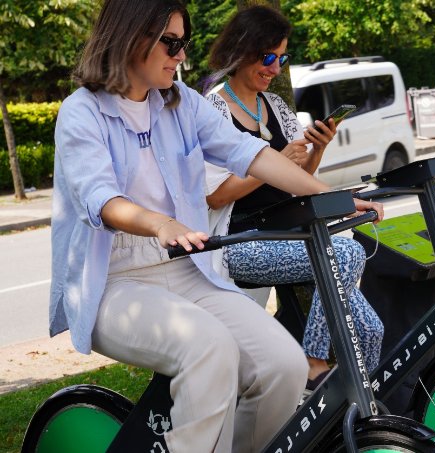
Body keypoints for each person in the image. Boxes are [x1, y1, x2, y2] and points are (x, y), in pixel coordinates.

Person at [49, 1, 383, 452]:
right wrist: (160, 223)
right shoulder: (81, 112)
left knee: (284, 365)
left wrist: (330, 196)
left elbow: (253, 155)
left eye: (183, 43)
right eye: (171, 42)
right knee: (209, 348)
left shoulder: (182, 102)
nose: (182, 54)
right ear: (130, 36)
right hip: (114, 284)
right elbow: (100, 198)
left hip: (188, 272)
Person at [202, 5, 384, 389]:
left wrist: (317, 150)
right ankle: (313, 364)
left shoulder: (276, 106)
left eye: (282, 58)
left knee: (371, 331)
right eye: (268, 57)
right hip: (239, 243)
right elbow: (216, 197)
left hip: (289, 235)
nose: (275, 68)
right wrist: (269, 162)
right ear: (241, 50)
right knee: (346, 252)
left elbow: (296, 180)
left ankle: (352, 421)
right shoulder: (212, 109)